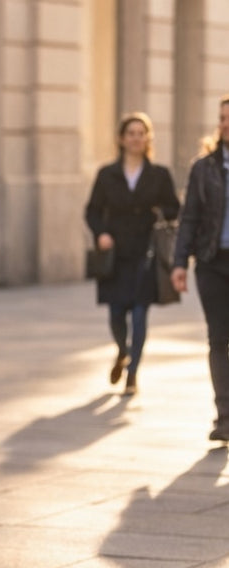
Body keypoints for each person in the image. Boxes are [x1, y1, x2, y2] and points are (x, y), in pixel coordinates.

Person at [85, 112, 179, 397]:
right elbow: (92, 210)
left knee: (139, 314)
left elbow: (174, 208)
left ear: (148, 138)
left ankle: (133, 374)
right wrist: (100, 233)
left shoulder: (159, 174)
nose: (136, 138)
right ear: (122, 139)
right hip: (115, 251)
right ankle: (122, 351)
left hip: (146, 252)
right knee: (116, 313)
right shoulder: (106, 174)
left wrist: (158, 213)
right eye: (131, 133)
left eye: (141, 133)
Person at [173, 95, 229, 442]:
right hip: (212, 262)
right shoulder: (203, 168)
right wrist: (179, 262)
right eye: (222, 118)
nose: (225, 124)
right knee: (218, 338)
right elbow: (189, 217)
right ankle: (224, 416)